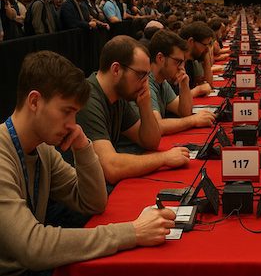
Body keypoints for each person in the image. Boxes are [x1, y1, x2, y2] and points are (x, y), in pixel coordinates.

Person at [0, 51, 176, 275]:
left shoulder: (43, 150)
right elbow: (33, 246)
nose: (72, 124)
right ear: (34, 101)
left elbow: (94, 203)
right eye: (66, 112)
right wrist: (132, 232)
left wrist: (83, 146)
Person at [76, 36, 189, 185]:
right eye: (141, 75)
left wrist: (145, 105)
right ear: (116, 69)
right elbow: (111, 168)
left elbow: (151, 142)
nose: (145, 82)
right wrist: (164, 158)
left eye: (147, 76)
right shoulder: (88, 99)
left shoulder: (119, 96)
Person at [147, 29, 216, 135]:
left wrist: (184, 84)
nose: (181, 68)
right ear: (160, 58)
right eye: (177, 62)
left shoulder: (162, 82)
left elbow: (185, 112)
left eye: (182, 62)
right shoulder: (146, 83)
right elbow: (157, 126)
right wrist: (193, 120)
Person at [178, 21, 215, 97]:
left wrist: (205, 55)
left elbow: (209, 85)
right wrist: (198, 90)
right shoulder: (176, 63)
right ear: (191, 41)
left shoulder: (190, 61)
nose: (207, 49)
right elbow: (174, 99)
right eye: (205, 45)